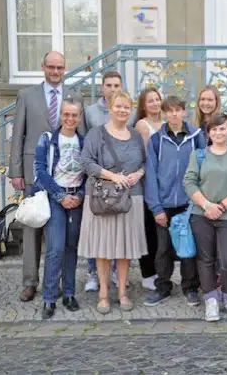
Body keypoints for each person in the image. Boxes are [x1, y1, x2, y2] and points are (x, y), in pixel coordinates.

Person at [9, 51, 84, 302]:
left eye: (60, 67)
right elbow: (18, 135)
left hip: (66, 177)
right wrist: (16, 171)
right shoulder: (26, 96)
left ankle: (61, 282)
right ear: (43, 67)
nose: (55, 71)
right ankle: (30, 281)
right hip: (34, 171)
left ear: (65, 69)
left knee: (59, 236)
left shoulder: (74, 97)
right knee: (32, 227)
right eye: (51, 67)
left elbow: (80, 137)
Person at [78, 91, 147, 314]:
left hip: (131, 197)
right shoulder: (96, 134)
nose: (122, 111)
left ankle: (123, 293)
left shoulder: (136, 135)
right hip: (103, 198)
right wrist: (112, 176)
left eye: (127, 107)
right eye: (118, 106)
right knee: (103, 249)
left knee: (124, 249)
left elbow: (144, 162)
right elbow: (86, 162)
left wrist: (139, 173)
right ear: (110, 107)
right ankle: (104, 294)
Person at [184, 113, 227, 322]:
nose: (219, 132)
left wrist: (221, 206)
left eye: (223, 128)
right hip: (201, 213)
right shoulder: (199, 155)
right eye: (214, 129)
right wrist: (206, 205)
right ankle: (211, 299)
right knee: (206, 259)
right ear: (208, 132)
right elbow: (189, 182)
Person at [143, 96, 204, 307]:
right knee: (163, 249)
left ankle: (190, 287)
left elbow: (204, 169)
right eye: (169, 111)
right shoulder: (156, 140)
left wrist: (199, 200)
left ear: (184, 112)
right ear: (164, 114)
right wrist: (156, 207)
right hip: (164, 204)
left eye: (178, 110)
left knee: (187, 247)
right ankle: (163, 286)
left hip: (189, 202)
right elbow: (150, 175)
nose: (174, 114)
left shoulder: (196, 137)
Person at [33, 99, 86, 319]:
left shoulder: (83, 142)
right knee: (55, 248)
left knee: (71, 248)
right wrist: (60, 196)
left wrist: (80, 195)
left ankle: (70, 294)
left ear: (80, 117)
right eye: (66, 114)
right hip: (56, 198)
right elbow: (40, 171)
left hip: (76, 199)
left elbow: (89, 172)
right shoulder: (48, 140)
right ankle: (49, 297)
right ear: (60, 115)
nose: (70, 119)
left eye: (74, 115)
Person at [82, 70, 129, 292]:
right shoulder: (90, 112)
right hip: (98, 178)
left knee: (118, 230)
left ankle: (116, 274)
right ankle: (94, 272)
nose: (112, 89)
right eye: (108, 85)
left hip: (120, 179)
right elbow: (85, 142)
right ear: (102, 88)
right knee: (98, 229)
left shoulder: (130, 109)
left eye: (116, 85)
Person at [134, 87, 164, 291]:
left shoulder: (165, 123)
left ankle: (162, 270)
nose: (154, 103)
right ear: (143, 105)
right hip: (149, 181)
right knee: (148, 229)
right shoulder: (142, 125)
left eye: (157, 99)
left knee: (161, 232)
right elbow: (147, 157)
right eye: (150, 101)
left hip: (166, 182)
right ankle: (147, 273)